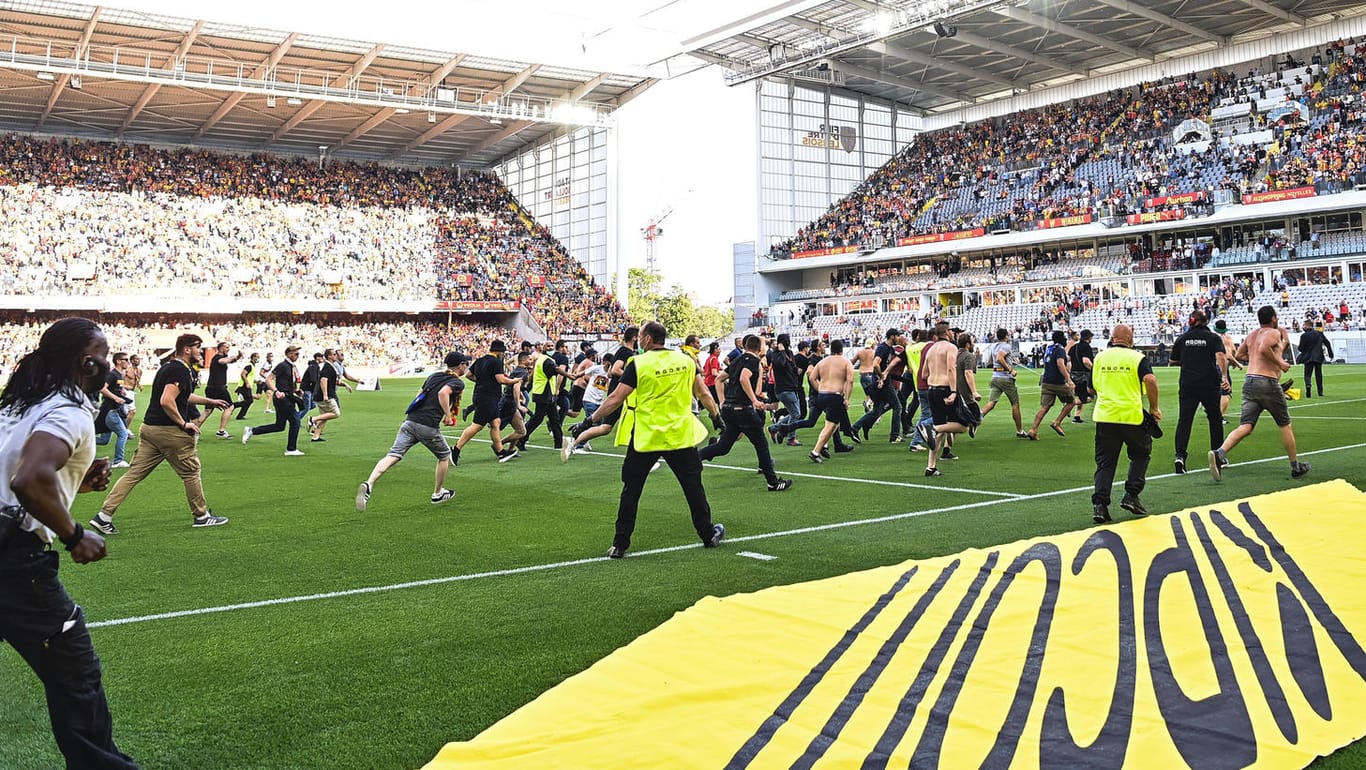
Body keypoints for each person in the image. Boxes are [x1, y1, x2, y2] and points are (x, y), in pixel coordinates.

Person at [0, 317, 139, 770]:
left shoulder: (16, 404)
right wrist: (75, 535)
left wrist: (76, 479)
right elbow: (30, 478)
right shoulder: (69, 410)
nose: (109, 364)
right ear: (86, 364)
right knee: (74, 672)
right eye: (103, 356)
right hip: (14, 564)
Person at [587, 321, 727, 558]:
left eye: (640, 336)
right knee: (693, 487)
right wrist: (716, 417)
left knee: (631, 490)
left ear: (648, 339)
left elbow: (616, 398)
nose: (638, 340)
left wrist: (590, 420)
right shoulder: (685, 361)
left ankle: (620, 544)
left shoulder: (638, 364)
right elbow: (703, 393)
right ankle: (707, 534)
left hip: (647, 436)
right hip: (680, 436)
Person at [91, 333, 230, 534]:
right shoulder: (180, 370)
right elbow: (167, 400)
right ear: (187, 349)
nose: (201, 351)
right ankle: (201, 516)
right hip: (170, 432)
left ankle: (103, 516)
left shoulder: (169, 367)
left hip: (150, 429)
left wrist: (210, 402)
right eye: (198, 347)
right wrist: (184, 423)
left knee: (133, 474)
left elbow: (181, 395)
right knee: (191, 471)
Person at [356, 352, 467, 511]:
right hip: (427, 425)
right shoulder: (457, 382)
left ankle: (369, 483)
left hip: (410, 421)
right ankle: (438, 493)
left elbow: (420, 394)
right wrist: (448, 416)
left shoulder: (434, 376)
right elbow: (443, 393)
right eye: (465, 364)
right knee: (444, 456)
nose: (466, 367)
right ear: (460, 365)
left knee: (393, 455)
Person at [1210, 306, 1310, 481]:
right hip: (1268, 382)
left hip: (1250, 381)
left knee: (1246, 425)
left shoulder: (1252, 334)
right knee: (1285, 425)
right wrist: (1280, 363)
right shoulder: (1272, 332)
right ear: (1273, 318)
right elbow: (1264, 348)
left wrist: (1257, 358)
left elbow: (1240, 354)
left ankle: (1219, 453)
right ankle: (1296, 466)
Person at [698, 334, 794, 492]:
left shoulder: (736, 360)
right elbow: (744, 378)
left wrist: (722, 401)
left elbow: (719, 380)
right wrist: (754, 400)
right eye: (763, 344)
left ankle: (694, 460)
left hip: (729, 409)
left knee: (723, 446)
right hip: (743, 410)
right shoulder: (753, 361)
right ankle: (773, 482)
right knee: (761, 444)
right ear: (758, 348)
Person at [1089, 324, 1160, 523]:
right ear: (1130, 339)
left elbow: (1092, 387)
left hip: (1105, 416)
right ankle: (1131, 495)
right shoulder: (1137, 358)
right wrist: (1154, 408)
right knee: (1140, 454)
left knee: (1105, 462)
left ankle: (1100, 506)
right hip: (1131, 416)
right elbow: (1151, 380)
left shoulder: (1100, 358)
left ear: (1112, 338)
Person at [1170, 310, 1227, 475]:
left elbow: (1173, 360)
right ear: (1206, 321)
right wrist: (1223, 376)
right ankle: (1217, 455)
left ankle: (1180, 457)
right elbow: (1221, 356)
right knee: (1215, 418)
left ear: (1191, 321)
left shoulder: (1182, 338)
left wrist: (1189, 360)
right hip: (1208, 383)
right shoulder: (1213, 338)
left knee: (1185, 420)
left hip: (1188, 383)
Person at [453, 340, 520, 464]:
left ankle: (500, 452)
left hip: (482, 395)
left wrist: (481, 381)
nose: (503, 354)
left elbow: (468, 375)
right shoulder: (496, 362)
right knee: (477, 426)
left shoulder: (480, 360)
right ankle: (456, 450)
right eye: (503, 352)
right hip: (488, 398)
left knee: (496, 422)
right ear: (499, 351)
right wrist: (515, 381)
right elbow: (501, 380)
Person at [241, 345, 306, 457]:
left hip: (287, 397)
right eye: (296, 354)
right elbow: (269, 379)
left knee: (279, 426)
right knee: (295, 421)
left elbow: (288, 383)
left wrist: (296, 391)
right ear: (289, 354)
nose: (298, 356)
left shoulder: (291, 366)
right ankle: (291, 449)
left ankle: (252, 430)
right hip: (282, 398)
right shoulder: (282, 366)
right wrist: (276, 391)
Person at [806, 339, 855, 463]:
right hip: (835, 395)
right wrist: (847, 399)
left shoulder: (822, 361)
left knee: (835, 423)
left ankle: (824, 446)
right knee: (830, 425)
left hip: (822, 395)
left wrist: (819, 388)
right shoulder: (845, 362)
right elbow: (850, 381)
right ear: (841, 350)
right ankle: (816, 451)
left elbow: (812, 377)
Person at [1027, 330, 1077, 440]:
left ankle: (1033, 429)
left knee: (1044, 407)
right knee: (1072, 402)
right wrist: (1068, 379)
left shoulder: (1049, 348)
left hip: (1046, 381)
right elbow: (1060, 364)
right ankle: (1057, 422)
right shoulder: (1060, 349)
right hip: (1058, 382)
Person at [979, 328, 1029, 438]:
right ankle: (1020, 431)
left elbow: (994, 360)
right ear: (1006, 336)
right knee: (1015, 405)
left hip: (995, 377)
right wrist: (1010, 369)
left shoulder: (994, 346)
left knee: (991, 403)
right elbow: (999, 358)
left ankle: (977, 417)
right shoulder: (1006, 346)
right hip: (1005, 378)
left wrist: (1011, 360)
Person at [95, 351, 134, 469]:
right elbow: (102, 388)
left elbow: (116, 387)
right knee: (123, 434)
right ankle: (118, 461)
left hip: (115, 409)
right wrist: (116, 398)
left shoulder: (120, 374)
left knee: (104, 440)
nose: (128, 362)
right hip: (111, 410)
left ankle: (80, 442)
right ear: (118, 361)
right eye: (126, 360)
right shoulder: (112, 374)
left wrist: (121, 392)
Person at [201, 341, 242, 440]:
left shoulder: (218, 358)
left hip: (211, 387)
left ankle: (193, 432)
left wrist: (237, 357)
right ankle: (221, 430)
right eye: (226, 347)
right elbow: (223, 361)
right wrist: (234, 357)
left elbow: (229, 361)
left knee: (208, 410)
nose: (228, 349)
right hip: (218, 388)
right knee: (230, 407)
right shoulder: (217, 358)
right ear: (221, 348)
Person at [308, 348, 342, 442]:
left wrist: (345, 384)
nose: (336, 355)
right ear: (329, 356)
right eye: (334, 354)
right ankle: (313, 419)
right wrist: (325, 395)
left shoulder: (328, 366)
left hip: (319, 394)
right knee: (335, 413)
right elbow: (324, 380)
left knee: (325, 416)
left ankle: (315, 436)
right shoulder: (328, 367)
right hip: (325, 395)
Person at [1297, 322, 1334, 398]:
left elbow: (1300, 348)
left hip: (1308, 357)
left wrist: (1304, 350)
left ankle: (1308, 386)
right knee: (1319, 374)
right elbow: (1327, 343)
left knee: (1307, 374)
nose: (1303, 327)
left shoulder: (1304, 335)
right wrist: (1330, 354)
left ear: (1308, 326)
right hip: (1318, 356)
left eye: (1304, 325)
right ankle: (1320, 392)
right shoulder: (1319, 333)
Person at [1068, 330, 1096, 424]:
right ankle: (1069, 404)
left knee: (1081, 395)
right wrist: (1094, 369)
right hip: (1083, 374)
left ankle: (1077, 416)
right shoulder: (1086, 347)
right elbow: (1086, 361)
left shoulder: (1074, 347)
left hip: (1074, 373)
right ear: (1088, 337)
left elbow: (1069, 360)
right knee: (1088, 398)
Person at [234, 352, 259, 421]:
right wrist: (247, 383)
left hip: (247, 386)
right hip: (244, 386)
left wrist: (256, 381)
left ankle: (240, 415)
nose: (258, 359)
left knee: (248, 401)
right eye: (257, 357)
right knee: (249, 400)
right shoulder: (249, 366)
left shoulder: (253, 366)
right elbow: (243, 374)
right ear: (253, 357)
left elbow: (249, 376)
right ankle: (233, 405)